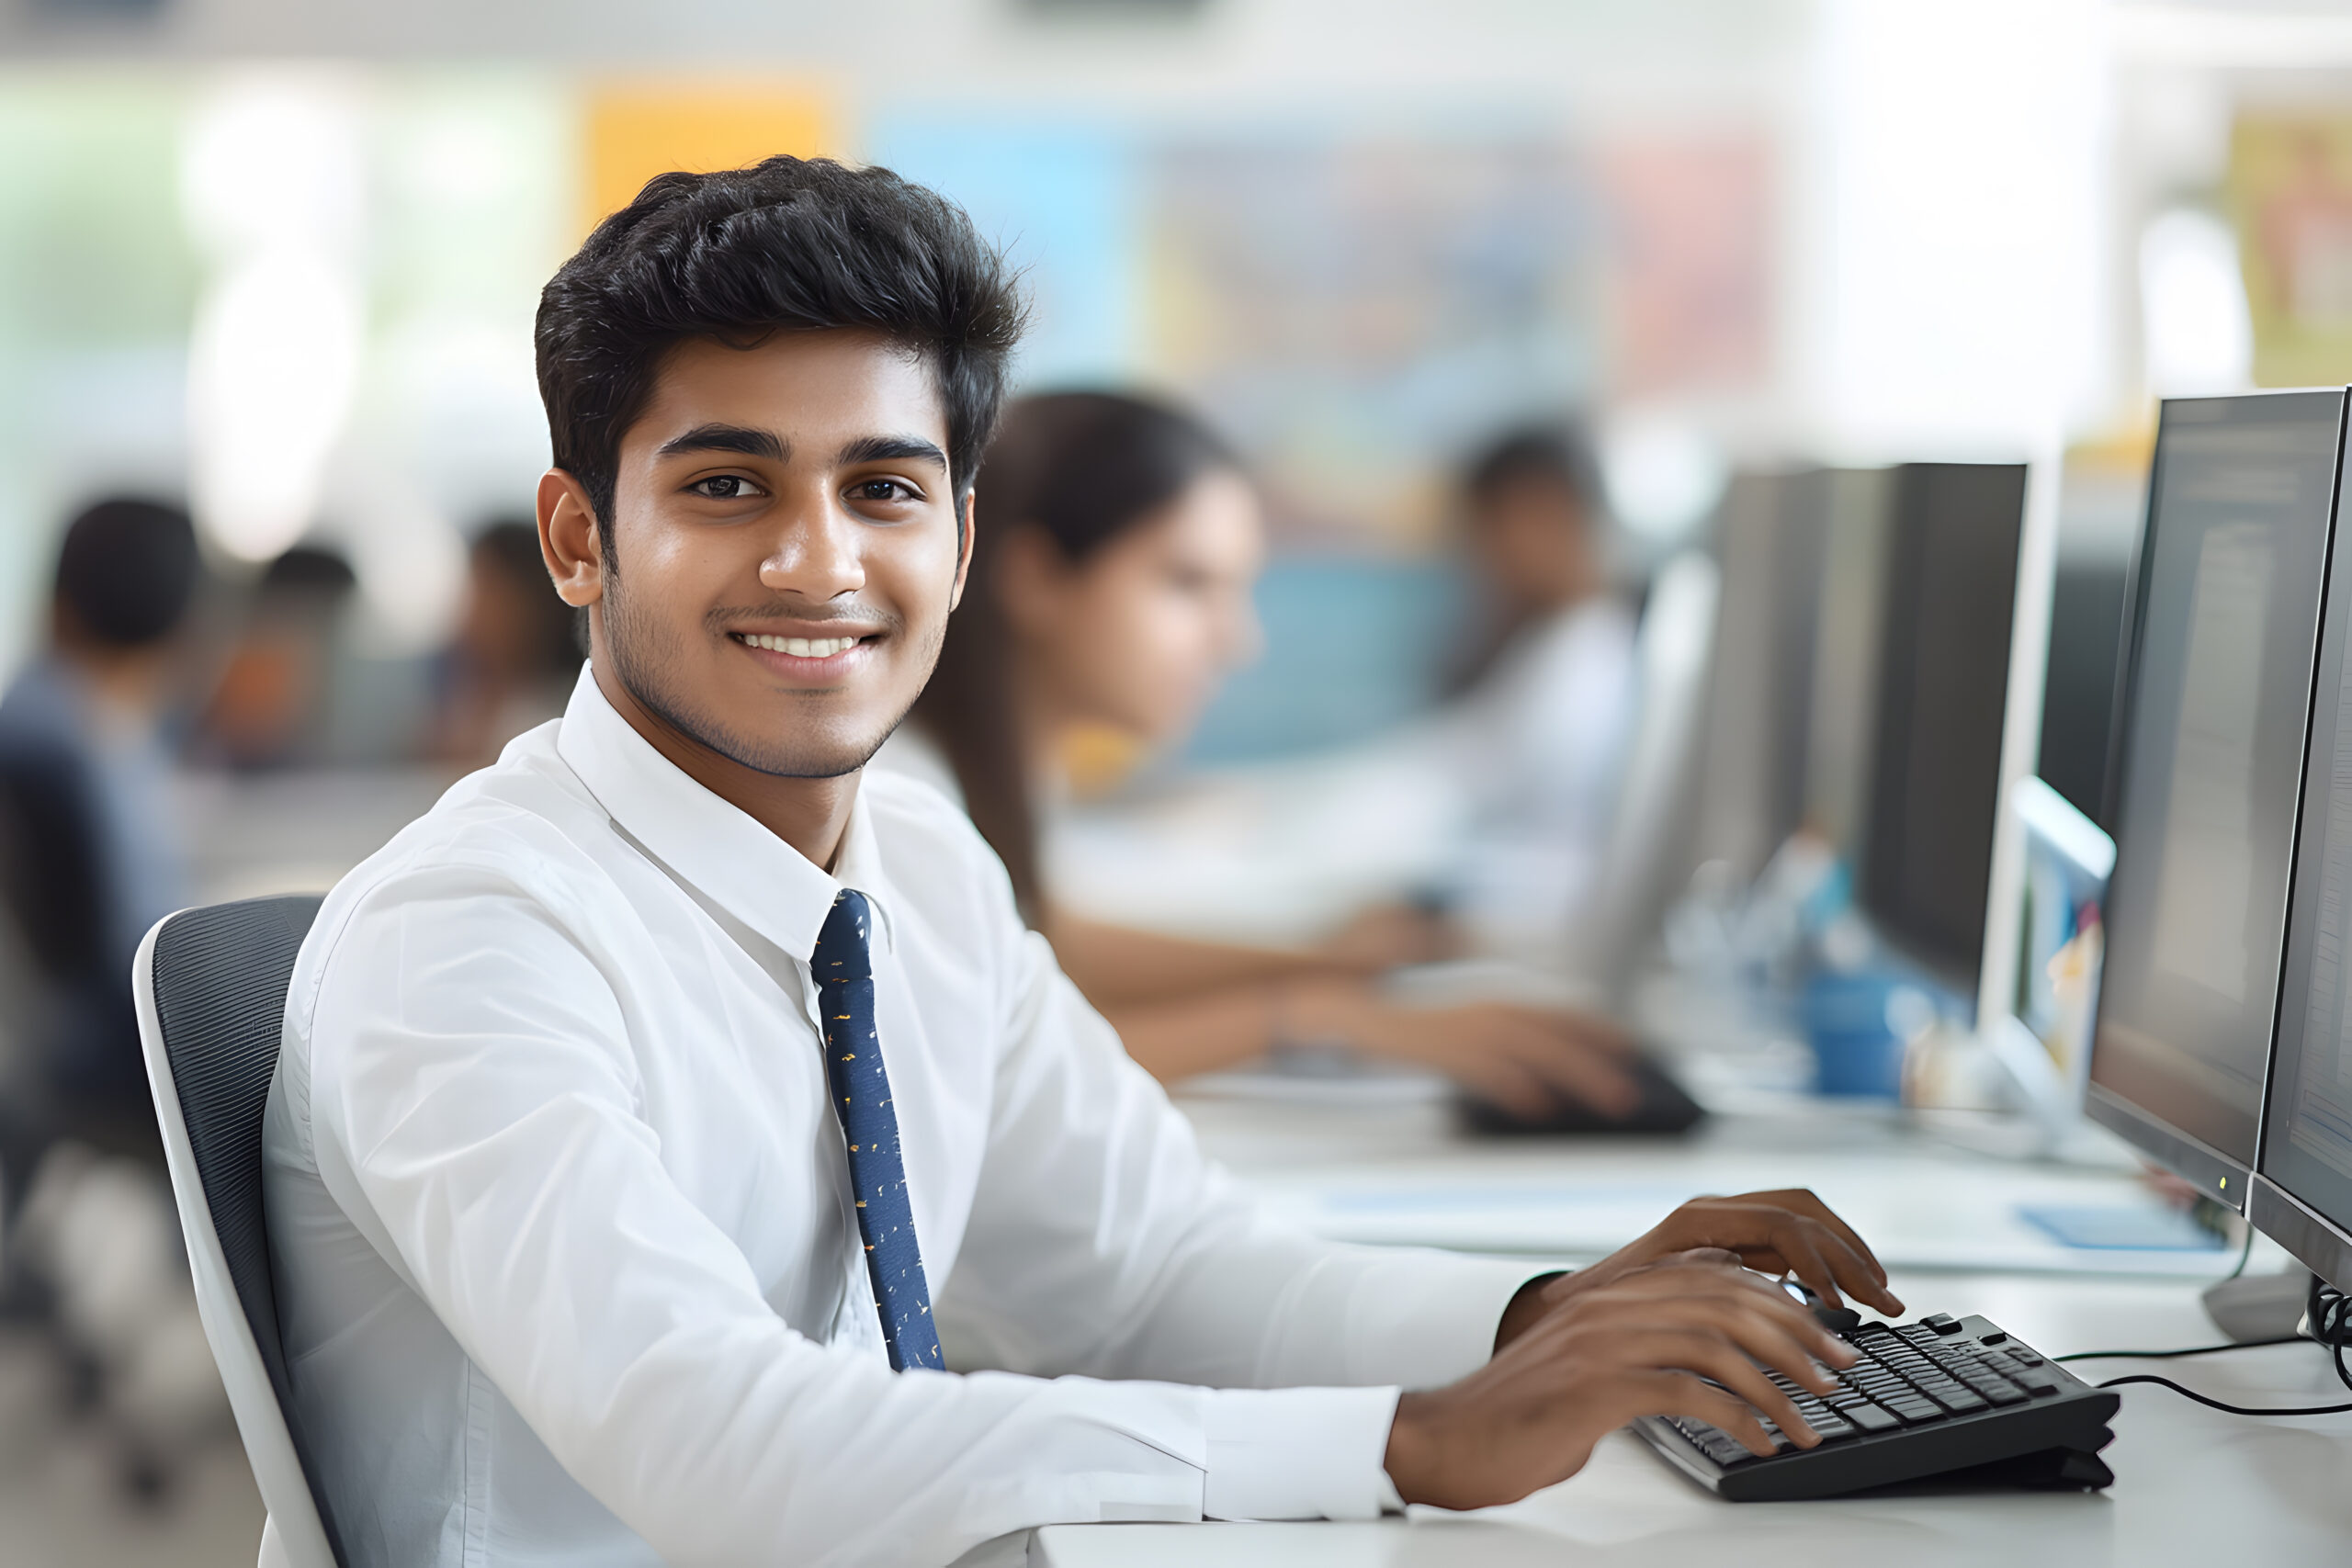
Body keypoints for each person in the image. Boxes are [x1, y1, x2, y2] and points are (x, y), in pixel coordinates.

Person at [263, 156, 1901, 1568]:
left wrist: (1540, 1321)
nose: (817, 558)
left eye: (882, 488)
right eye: (726, 483)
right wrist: (1414, 1442)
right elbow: (716, 1441)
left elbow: (1157, 1271)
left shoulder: (918, 863)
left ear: (959, 543)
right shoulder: (475, 935)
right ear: (577, 536)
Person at [888, 390, 1639, 1112]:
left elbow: (1050, 941)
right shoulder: (908, 799)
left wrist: (1339, 972)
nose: (1236, 641)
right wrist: (1316, 1014)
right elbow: (997, 1073)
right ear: (1039, 576)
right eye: (1188, 584)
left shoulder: (985, 773)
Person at [0, 497, 200, 1156]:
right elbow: (144, 956)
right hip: (115, 1062)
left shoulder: (29, 717)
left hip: (53, 1054)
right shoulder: (85, 750)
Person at [1435, 424, 1643, 953]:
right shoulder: (1548, 643)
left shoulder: (1587, 658)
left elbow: (1453, 780)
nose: (1482, 552)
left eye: (1491, 524)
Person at [429, 519, 585, 768]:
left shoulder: (554, 720)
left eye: (487, 589)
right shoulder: (466, 699)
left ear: (533, 602)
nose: (471, 610)